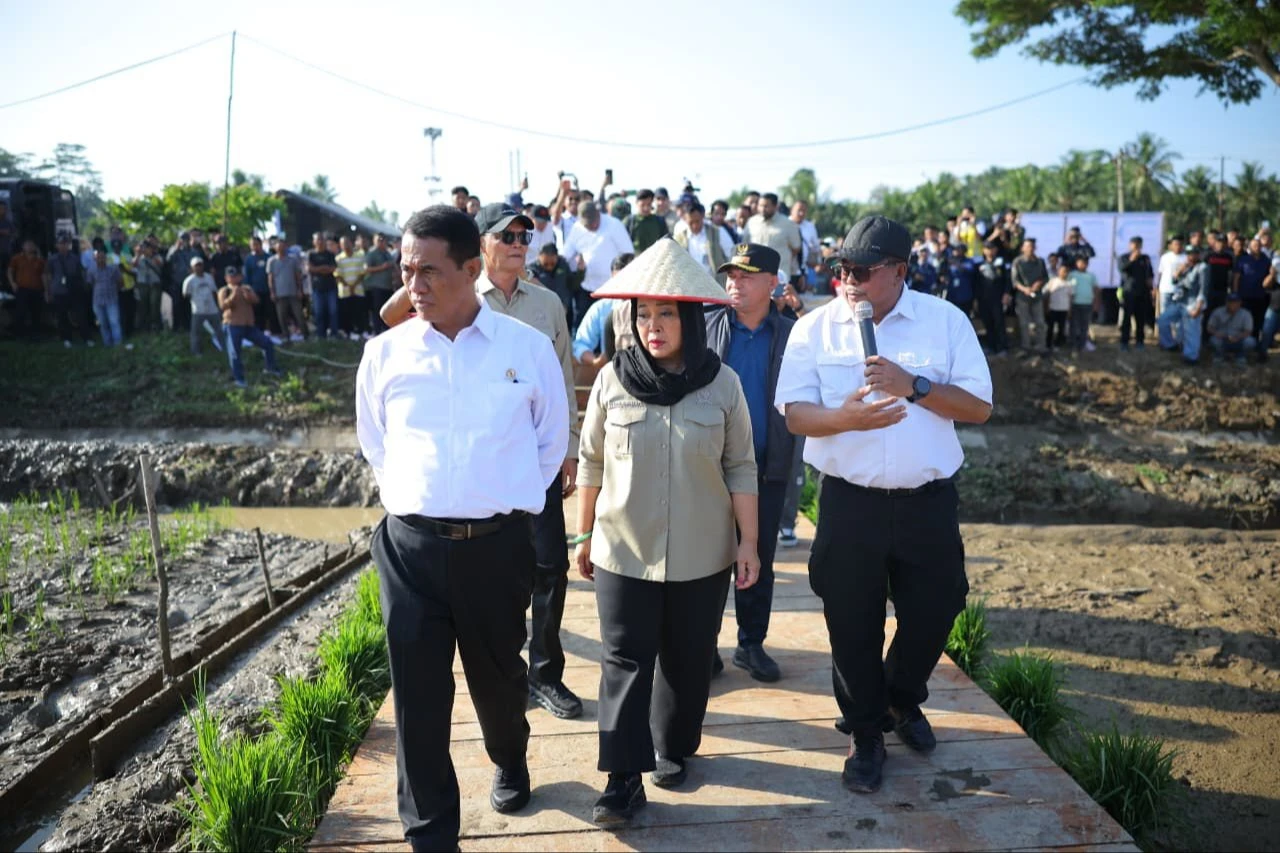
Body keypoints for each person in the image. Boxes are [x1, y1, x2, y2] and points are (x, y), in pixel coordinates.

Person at [356, 206, 569, 852]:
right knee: (418, 702)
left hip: (496, 549)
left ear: (472, 271)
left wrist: (495, 499)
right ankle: (430, 834)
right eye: (405, 270)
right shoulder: (385, 354)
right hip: (409, 550)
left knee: (500, 679)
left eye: (429, 271)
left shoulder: (525, 351)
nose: (413, 286)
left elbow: (549, 443)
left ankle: (510, 753)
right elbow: (377, 444)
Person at [775, 214, 992, 794]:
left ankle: (899, 699)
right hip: (850, 505)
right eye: (841, 269)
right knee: (851, 622)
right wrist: (845, 418)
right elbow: (795, 412)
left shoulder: (945, 321)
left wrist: (913, 385)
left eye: (863, 271)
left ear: (899, 270)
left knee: (937, 609)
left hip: (927, 503)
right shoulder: (815, 328)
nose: (849, 281)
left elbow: (978, 408)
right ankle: (866, 733)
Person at [574, 239, 759, 825]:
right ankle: (622, 778)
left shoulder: (722, 384)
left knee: (685, 661)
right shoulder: (612, 381)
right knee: (624, 660)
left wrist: (749, 542)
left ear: (691, 319)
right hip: (622, 550)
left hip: (704, 555)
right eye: (643, 314)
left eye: (667, 314)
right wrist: (581, 538)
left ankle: (674, 746)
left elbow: (742, 466)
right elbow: (591, 461)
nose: (653, 327)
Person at [704, 243, 796, 683]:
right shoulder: (705, 327)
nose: (734, 283)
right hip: (708, 466)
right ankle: (703, 644)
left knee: (758, 557)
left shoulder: (793, 334)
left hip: (767, 463)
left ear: (772, 283)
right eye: (730, 275)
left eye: (745, 275)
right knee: (704, 559)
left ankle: (750, 644)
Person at [561, 200, 635, 314]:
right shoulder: (577, 229)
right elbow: (565, 254)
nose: (592, 226)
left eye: (594, 222)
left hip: (612, 290)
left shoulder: (614, 225)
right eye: (588, 225)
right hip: (587, 290)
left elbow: (629, 254)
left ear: (598, 214)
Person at [218, 266, 282, 388]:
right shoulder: (224, 290)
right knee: (235, 353)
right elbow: (223, 306)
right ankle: (239, 379)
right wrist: (233, 295)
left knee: (267, 343)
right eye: (231, 276)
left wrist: (248, 295)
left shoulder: (246, 288)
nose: (234, 279)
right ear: (226, 278)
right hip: (232, 325)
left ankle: (271, 368)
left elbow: (256, 301)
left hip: (248, 325)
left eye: (236, 276)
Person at [1157, 246, 1208, 364]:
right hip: (1180, 302)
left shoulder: (1203, 268)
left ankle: (1191, 357)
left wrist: (1199, 307)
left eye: (1194, 254)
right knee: (1162, 320)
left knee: (1191, 331)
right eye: (1189, 254)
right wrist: (1180, 271)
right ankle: (1170, 345)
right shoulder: (1186, 267)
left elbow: (1203, 289)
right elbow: (1174, 282)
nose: (1191, 256)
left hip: (1193, 304)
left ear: (1198, 255)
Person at [743, 193, 802, 285]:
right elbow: (745, 246)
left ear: (775, 206)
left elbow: (796, 248)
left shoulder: (788, 224)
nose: (762, 209)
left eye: (766, 206)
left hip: (779, 276)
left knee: (778, 299)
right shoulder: (751, 222)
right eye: (761, 205)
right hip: (755, 275)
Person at [46, 235, 93, 347]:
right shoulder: (52, 259)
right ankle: (67, 339)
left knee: (80, 315)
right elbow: (48, 275)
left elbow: (80, 273)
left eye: (66, 244)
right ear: (57, 245)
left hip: (74, 290)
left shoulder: (75, 258)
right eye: (61, 244)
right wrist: (48, 290)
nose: (64, 246)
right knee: (62, 316)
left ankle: (87, 338)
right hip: (59, 291)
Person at [674, 202, 733, 284]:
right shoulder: (680, 238)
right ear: (685, 218)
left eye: (697, 221)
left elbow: (731, 255)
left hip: (715, 285)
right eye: (691, 222)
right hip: (690, 285)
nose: (695, 226)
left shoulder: (718, 232)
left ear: (703, 216)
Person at [527, 242, 576, 329]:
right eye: (546, 264)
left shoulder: (563, 265)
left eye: (552, 264)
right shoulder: (532, 270)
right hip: (542, 315)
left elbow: (572, 284)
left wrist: (581, 272)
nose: (549, 267)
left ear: (557, 257)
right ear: (539, 257)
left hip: (564, 313)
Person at [1117, 237, 1155, 351]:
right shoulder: (1124, 257)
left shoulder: (1145, 258)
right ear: (1130, 245)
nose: (1136, 246)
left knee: (1140, 318)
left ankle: (1140, 341)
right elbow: (1122, 269)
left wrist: (1151, 285)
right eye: (1134, 244)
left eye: (1139, 244)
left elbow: (1150, 273)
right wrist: (1132, 259)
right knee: (1127, 318)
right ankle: (1124, 342)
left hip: (1143, 292)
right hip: (1129, 291)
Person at [1010, 239, 1048, 353]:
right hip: (1022, 297)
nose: (1030, 249)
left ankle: (1041, 346)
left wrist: (1039, 284)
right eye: (1027, 246)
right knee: (1024, 323)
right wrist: (1024, 289)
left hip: (1037, 296)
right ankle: (1026, 346)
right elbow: (1014, 281)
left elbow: (1045, 277)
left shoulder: (1040, 261)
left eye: (1032, 247)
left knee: (1040, 323)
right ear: (1022, 248)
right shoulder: (1017, 262)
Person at [974, 240, 1012, 356]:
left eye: (991, 248)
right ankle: (991, 347)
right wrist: (975, 298)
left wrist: (1007, 293)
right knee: (988, 323)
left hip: (998, 298)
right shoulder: (979, 264)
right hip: (983, 298)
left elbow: (1007, 279)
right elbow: (975, 282)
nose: (989, 251)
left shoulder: (1002, 262)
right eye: (987, 249)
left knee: (999, 322)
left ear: (995, 250)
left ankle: (1002, 347)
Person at [268, 236, 306, 341]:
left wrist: (299, 290)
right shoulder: (271, 261)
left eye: (283, 246)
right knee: (282, 317)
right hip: (279, 294)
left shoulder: (293, 260)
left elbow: (298, 276)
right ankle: (286, 337)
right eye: (278, 246)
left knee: (299, 315)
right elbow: (270, 278)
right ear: (275, 247)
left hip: (293, 292)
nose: (281, 248)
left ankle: (306, 335)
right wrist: (272, 292)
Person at [1234, 238, 1272, 342]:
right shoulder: (1243, 260)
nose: (1257, 247)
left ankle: (1254, 343)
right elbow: (1237, 277)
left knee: (1258, 321)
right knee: (1245, 320)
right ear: (1250, 247)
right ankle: (1242, 342)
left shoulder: (1266, 260)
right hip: (1245, 296)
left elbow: (1270, 276)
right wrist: (1235, 293)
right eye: (1254, 245)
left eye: (1259, 245)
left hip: (1260, 296)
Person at [8, 239, 46, 339]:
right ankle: (19, 334)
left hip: (37, 289)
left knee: (36, 313)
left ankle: (35, 334)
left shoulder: (39, 260)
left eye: (31, 245)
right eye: (27, 245)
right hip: (22, 289)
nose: (29, 247)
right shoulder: (17, 258)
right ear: (23, 247)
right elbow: (10, 271)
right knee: (21, 312)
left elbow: (44, 275)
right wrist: (12, 283)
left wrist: (46, 289)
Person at [183, 257, 222, 355]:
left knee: (219, 331)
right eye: (196, 266)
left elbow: (214, 291)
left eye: (200, 265)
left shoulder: (209, 277)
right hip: (198, 310)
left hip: (212, 309)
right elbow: (186, 294)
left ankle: (224, 349)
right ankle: (196, 352)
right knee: (196, 333)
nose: (199, 267)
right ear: (192, 268)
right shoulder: (189, 280)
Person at [1206, 292, 1256, 365]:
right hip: (1222, 338)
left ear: (1240, 303)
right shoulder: (1217, 312)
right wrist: (1217, 333)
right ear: (1226, 302)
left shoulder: (1246, 314)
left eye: (1235, 302)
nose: (1233, 304)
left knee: (1250, 341)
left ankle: (1240, 356)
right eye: (1230, 302)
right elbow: (1209, 327)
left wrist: (1238, 337)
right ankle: (1219, 356)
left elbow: (1248, 331)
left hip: (1238, 339)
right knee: (1214, 340)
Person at [89, 248, 125, 348]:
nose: (100, 260)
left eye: (102, 257)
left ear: (105, 258)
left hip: (112, 300)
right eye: (98, 258)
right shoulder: (91, 270)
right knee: (103, 323)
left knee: (114, 322)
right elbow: (91, 283)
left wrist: (113, 290)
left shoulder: (113, 269)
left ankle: (118, 344)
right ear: (95, 259)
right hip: (97, 301)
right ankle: (107, 343)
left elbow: (121, 283)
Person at [307, 232, 340, 339]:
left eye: (322, 239)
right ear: (314, 242)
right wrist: (324, 268)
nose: (320, 242)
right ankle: (321, 335)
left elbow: (333, 268)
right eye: (318, 240)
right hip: (317, 288)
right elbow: (310, 269)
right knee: (319, 312)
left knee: (333, 311)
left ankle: (334, 333)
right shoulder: (311, 255)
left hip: (331, 287)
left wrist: (318, 269)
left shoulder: (330, 254)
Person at [335, 234, 368, 339]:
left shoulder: (360, 256)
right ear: (340, 246)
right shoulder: (338, 259)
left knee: (359, 312)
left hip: (358, 290)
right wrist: (349, 287)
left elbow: (362, 273)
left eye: (347, 242)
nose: (345, 245)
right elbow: (337, 275)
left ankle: (361, 332)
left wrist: (353, 286)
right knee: (346, 314)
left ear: (351, 243)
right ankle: (348, 333)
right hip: (344, 292)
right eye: (343, 244)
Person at [363, 233, 397, 335]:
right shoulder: (372, 254)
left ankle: (386, 331)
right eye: (379, 240)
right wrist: (382, 267)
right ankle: (377, 332)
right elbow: (366, 269)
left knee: (388, 310)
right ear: (374, 241)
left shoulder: (387, 253)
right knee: (377, 311)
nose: (381, 242)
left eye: (383, 240)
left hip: (388, 286)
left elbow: (393, 266)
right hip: (377, 287)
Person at [242, 236, 277, 336]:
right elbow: (246, 277)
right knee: (257, 314)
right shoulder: (249, 259)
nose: (254, 247)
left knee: (271, 313)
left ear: (260, 244)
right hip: (255, 291)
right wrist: (248, 291)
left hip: (268, 290)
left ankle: (274, 334)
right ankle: (259, 334)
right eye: (252, 245)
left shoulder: (268, 257)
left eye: (256, 245)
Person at [1067, 256, 1099, 353]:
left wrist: (1095, 304)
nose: (1082, 265)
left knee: (1084, 325)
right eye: (1080, 263)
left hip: (1087, 304)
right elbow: (1067, 288)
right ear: (1077, 264)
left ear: (1087, 264)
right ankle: (1073, 345)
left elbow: (1096, 289)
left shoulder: (1091, 276)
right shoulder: (1072, 274)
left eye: (1084, 263)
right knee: (1073, 325)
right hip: (1075, 304)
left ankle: (1082, 344)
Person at [133, 241, 164, 333]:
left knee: (154, 305)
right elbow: (133, 264)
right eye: (143, 247)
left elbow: (160, 264)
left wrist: (150, 255)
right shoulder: (139, 258)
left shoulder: (156, 257)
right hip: (143, 285)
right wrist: (138, 254)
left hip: (155, 284)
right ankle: (145, 327)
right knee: (143, 306)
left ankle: (156, 326)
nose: (145, 249)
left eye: (146, 247)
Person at [1044, 264, 1073, 351]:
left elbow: (1070, 298)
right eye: (1063, 271)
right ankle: (1048, 344)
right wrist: (1047, 307)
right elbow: (1047, 294)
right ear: (1058, 271)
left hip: (1063, 309)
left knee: (1061, 328)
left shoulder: (1069, 284)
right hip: (1053, 308)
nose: (1064, 273)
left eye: (1066, 271)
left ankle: (1058, 344)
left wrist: (1069, 310)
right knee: (1050, 327)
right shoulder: (1053, 281)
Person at [1154, 236, 1186, 316]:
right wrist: (1156, 287)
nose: (1178, 246)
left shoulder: (1186, 258)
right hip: (1166, 289)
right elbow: (1160, 273)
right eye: (1175, 244)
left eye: (1180, 244)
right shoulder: (1165, 257)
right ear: (1171, 245)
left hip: (1180, 291)